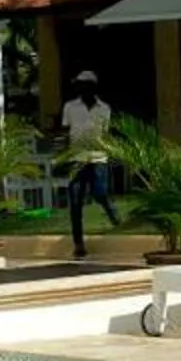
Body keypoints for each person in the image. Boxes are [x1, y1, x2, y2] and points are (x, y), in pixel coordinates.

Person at [56, 69, 122, 257]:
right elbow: (64, 132)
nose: (79, 88)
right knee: (75, 201)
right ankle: (78, 243)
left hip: (97, 157)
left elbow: (106, 134)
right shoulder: (70, 107)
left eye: (82, 85)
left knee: (100, 193)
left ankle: (117, 221)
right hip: (76, 159)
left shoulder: (104, 109)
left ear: (91, 87)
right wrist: (62, 156)